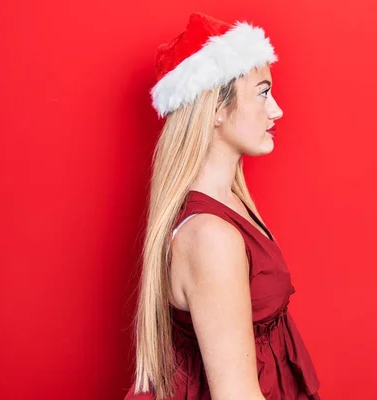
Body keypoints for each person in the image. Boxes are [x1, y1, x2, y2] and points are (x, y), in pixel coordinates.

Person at [125, 12, 320, 400]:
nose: (276, 110)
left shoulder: (230, 204)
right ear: (215, 108)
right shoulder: (210, 237)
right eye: (263, 92)